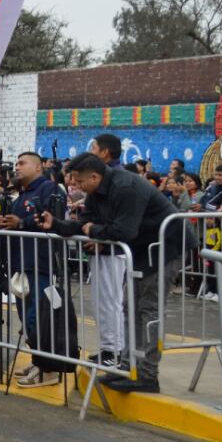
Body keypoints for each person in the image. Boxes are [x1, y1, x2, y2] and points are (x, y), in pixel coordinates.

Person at [39, 153, 185, 393]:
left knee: (148, 312)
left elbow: (124, 230)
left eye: (78, 181)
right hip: (141, 251)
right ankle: (128, 367)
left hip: (164, 248)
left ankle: (148, 375)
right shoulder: (96, 192)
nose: (75, 186)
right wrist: (55, 224)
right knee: (130, 309)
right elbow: (84, 224)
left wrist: (95, 230)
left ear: (94, 176)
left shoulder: (125, 186)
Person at [0, 151, 66, 388]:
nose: (17, 167)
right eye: (16, 163)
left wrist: (21, 223)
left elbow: (53, 222)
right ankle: (39, 361)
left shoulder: (50, 190)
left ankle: (49, 369)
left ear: (37, 167)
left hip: (41, 263)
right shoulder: (20, 195)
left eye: (22, 163)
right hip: (21, 263)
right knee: (27, 318)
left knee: (40, 317)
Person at [87, 134, 131, 367]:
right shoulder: (104, 178)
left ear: (105, 152)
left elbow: (117, 219)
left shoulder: (119, 179)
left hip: (114, 250)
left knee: (111, 301)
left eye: (93, 148)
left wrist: (99, 233)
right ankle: (107, 347)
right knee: (99, 301)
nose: (91, 152)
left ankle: (115, 350)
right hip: (101, 250)